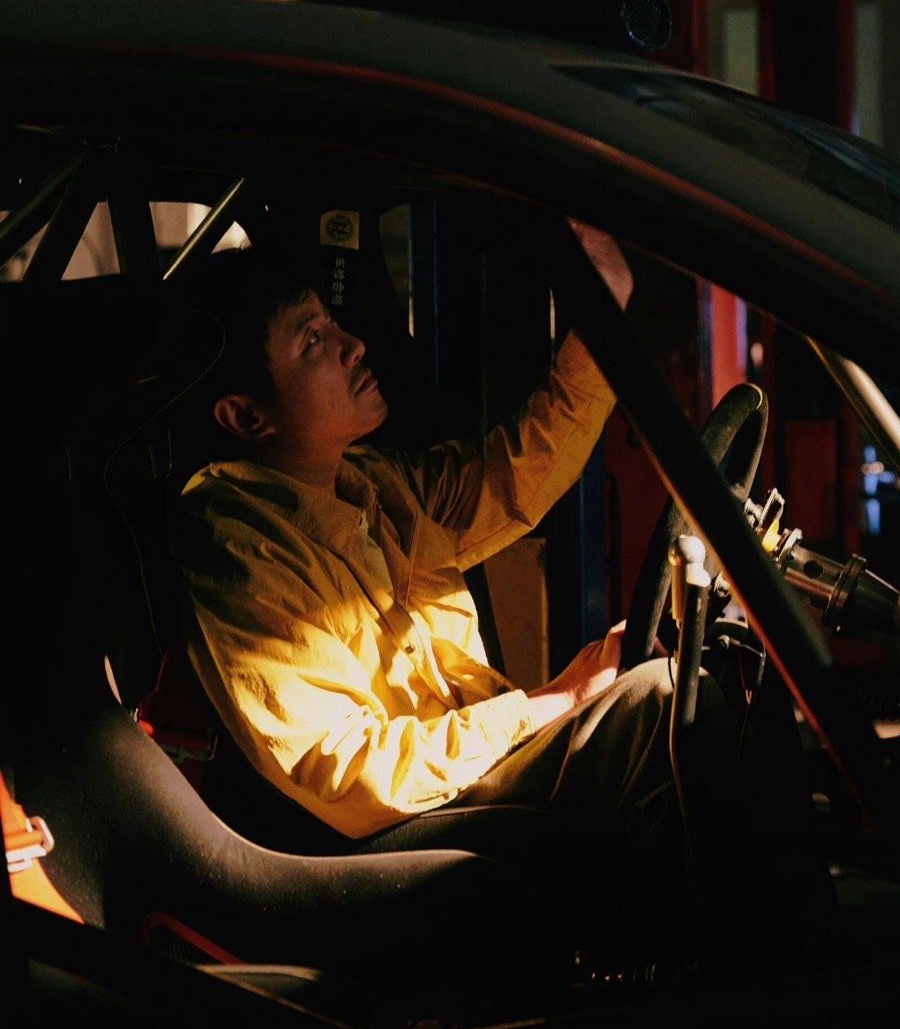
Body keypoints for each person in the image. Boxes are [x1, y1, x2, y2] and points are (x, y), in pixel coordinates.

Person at [166, 223, 829, 970]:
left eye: (332, 323)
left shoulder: (371, 487)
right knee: (658, 708)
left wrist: (601, 305)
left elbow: (517, 477)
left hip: (469, 771)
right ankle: (764, 987)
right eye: (312, 340)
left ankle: (774, 961)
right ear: (246, 416)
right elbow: (348, 770)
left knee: (721, 687)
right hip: (395, 823)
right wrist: (555, 701)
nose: (353, 344)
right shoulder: (236, 548)